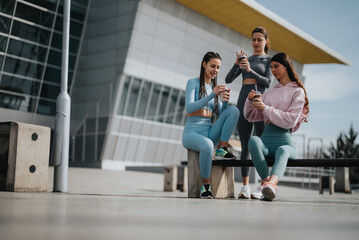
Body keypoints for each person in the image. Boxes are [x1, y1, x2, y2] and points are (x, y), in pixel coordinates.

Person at [244, 52, 309, 201]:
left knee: (282, 150)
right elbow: (251, 116)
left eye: (276, 66)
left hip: (285, 142)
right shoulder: (270, 92)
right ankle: (267, 183)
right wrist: (250, 102)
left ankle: (272, 184)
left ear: (285, 66)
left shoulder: (297, 91)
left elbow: (291, 121)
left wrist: (265, 108)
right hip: (266, 141)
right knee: (253, 140)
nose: (273, 70)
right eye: (271, 67)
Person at [225, 27, 274, 199]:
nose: (256, 42)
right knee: (245, 145)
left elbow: (268, 82)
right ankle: (245, 187)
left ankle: (263, 186)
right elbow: (228, 79)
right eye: (253, 39)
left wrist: (250, 71)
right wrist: (238, 63)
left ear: (266, 41)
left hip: (260, 103)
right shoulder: (246, 59)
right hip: (243, 102)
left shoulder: (269, 60)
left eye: (259, 39)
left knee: (261, 146)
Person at [182, 51, 239, 199]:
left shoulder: (213, 89)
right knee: (207, 145)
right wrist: (212, 95)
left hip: (209, 132)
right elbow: (189, 107)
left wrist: (224, 100)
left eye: (218, 67)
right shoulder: (193, 83)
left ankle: (221, 148)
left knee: (233, 110)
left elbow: (222, 114)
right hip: (191, 133)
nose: (215, 70)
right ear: (204, 64)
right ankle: (205, 186)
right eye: (213, 66)